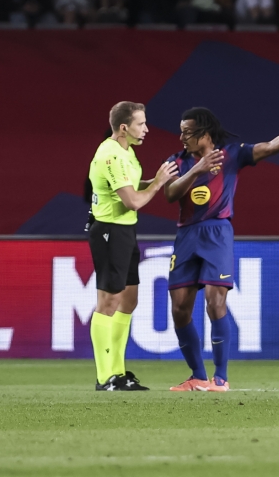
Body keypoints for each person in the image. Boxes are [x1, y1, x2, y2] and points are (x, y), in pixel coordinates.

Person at [165, 102, 279, 392]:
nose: (182, 138)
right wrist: (196, 171)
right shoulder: (177, 162)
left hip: (217, 232)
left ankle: (221, 378)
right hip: (186, 235)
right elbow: (169, 194)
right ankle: (197, 376)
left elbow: (271, 146)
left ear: (205, 133)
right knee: (179, 309)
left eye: (187, 133)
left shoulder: (231, 154)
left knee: (215, 302)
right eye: (181, 132)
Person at [87, 101, 178, 391]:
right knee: (109, 302)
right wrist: (157, 184)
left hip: (125, 230)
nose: (147, 129)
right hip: (109, 231)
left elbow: (133, 186)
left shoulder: (128, 152)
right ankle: (105, 377)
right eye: (141, 124)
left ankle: (118, 371)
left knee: (129, 300)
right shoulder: (111, 155)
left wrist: (160, 180)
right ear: (124, 127)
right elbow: (133, 200)